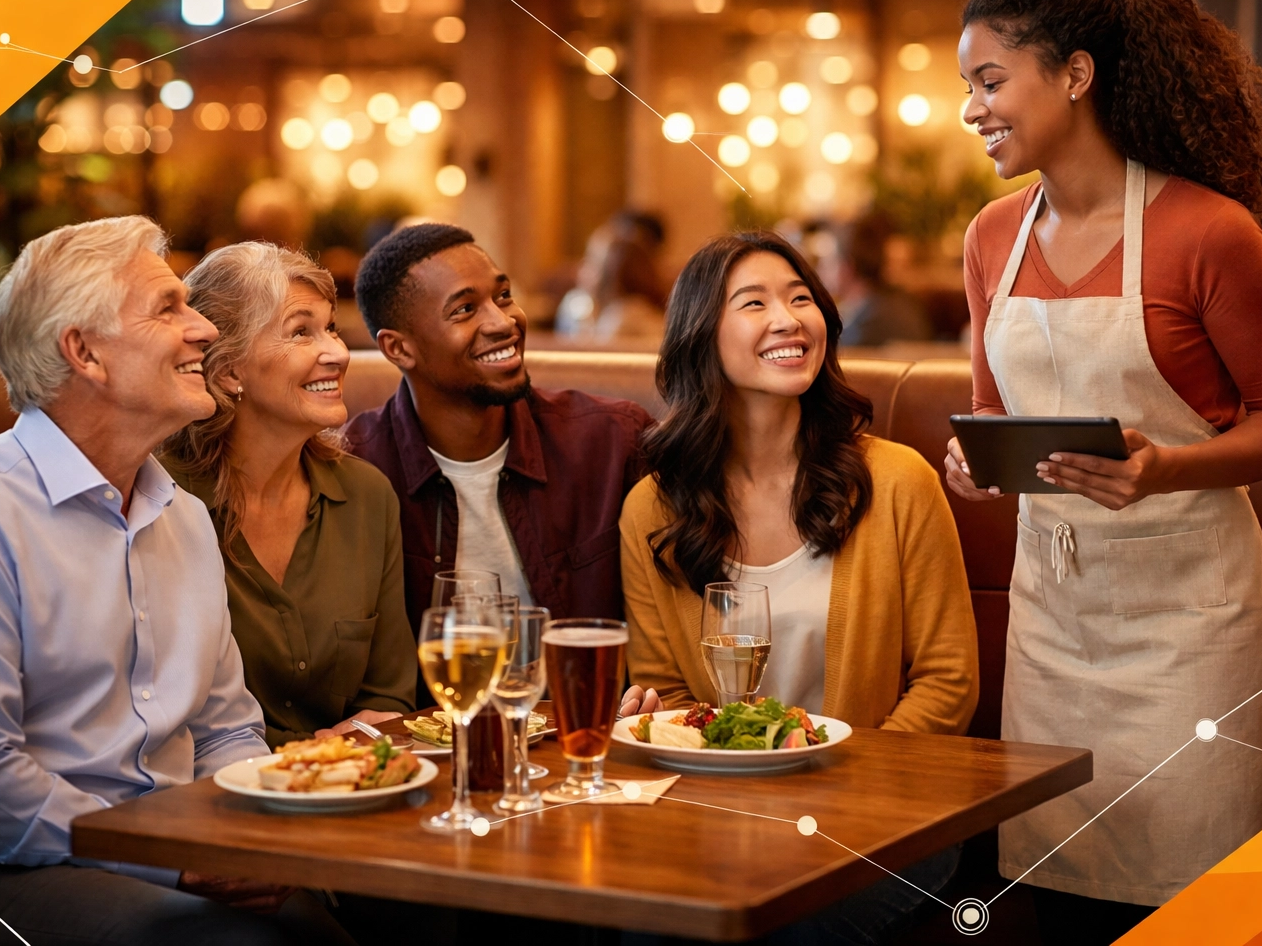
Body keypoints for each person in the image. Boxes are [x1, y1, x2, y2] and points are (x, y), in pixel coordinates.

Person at [947, 0, 1262, 943]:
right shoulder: (991, 237)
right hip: (1053, 622)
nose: (973, 108)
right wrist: (976, 462)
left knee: (1194, 908)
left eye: (990, 80)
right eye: (968, 86)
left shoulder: (1210, 233)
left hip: (1191, 628)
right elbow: (994, 411)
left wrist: (1168, 469)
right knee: (1050, 897)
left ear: (1075, 74)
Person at [0, 217, 351, 945]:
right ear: (84, 352)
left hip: (175, 848)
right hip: (4, 869)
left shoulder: (182, 517)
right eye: (168, 308)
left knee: (341, 919)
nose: (202, 331)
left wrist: (258, 834)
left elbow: (225, 730)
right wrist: (172, 863)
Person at [618, 230, 978, 943]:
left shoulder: (899, 482)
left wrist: (835, 789)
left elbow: (948, 683)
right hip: (723, 817)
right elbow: (671, 691)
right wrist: (659, 721)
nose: (789, 319)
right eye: (754, 303)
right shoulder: (654, 509)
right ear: (701, 337)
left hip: (888, 816)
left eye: (801, 298)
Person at [159, 242, 416, 750]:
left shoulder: (367, 496)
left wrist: (337, 753)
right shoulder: (158, 502)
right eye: (302, 332)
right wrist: (296, 756)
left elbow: (391, 696)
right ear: (230, 371)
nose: (339, 353)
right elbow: (161, 712)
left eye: (332, 328)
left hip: (347, 784)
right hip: (209, 794)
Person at [346, 222, 654, 632]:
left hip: (586, 699)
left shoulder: (615, 442)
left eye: (503, 296)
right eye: (465, 309)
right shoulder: (355, 470)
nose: (504, 322)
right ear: (399, 348)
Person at [814, 214, 934, 345]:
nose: (819, 269)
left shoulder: (870, 324)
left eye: (826, 261)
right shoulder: (892, 303)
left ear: (848, 267)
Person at [555, 210, 668, 343]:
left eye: (591, 262)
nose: (582, 270)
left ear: (610, 273)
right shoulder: (593, 309)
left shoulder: (623, 317)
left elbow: (598, 361)